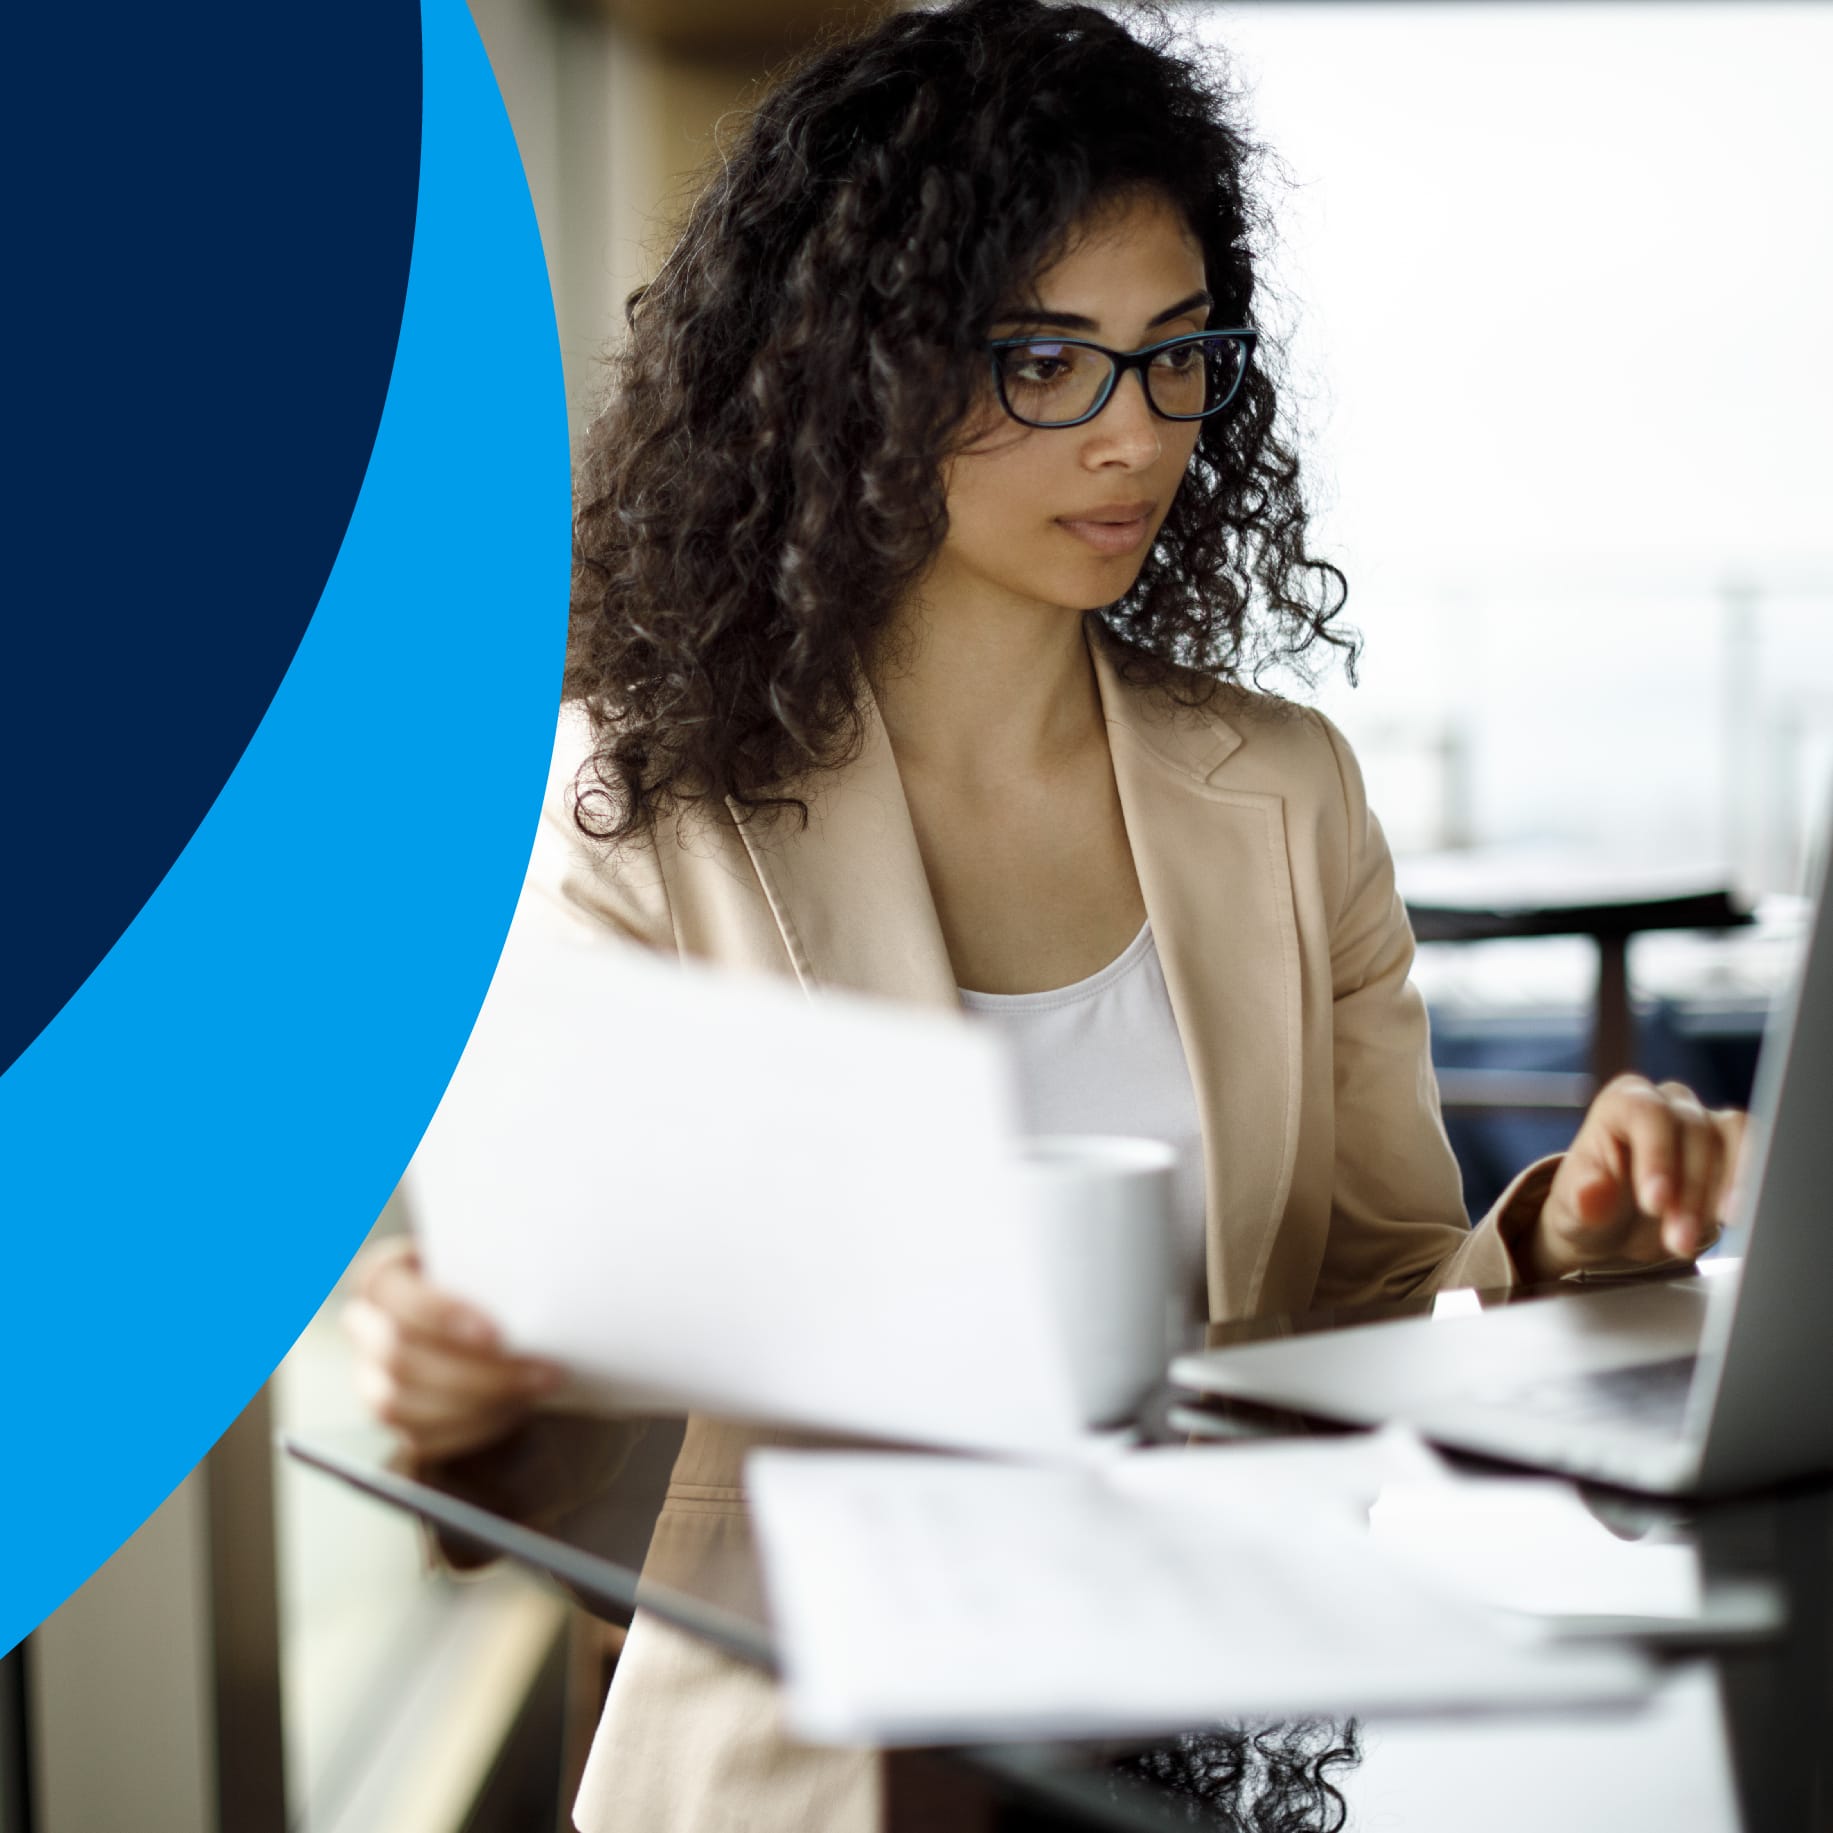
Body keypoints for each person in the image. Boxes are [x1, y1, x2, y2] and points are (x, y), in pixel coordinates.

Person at [343, 2, 1747, 1826]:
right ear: (859, 368)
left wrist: (1568, 1241)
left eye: (1176, 360)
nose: (1131, 435)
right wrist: (466, 1366)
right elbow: (559, 1375)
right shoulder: (639, 801)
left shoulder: (1282, 789)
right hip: (813, 1769)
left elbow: (1375, 1292)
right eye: (1044, 363)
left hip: (1202, 1755)